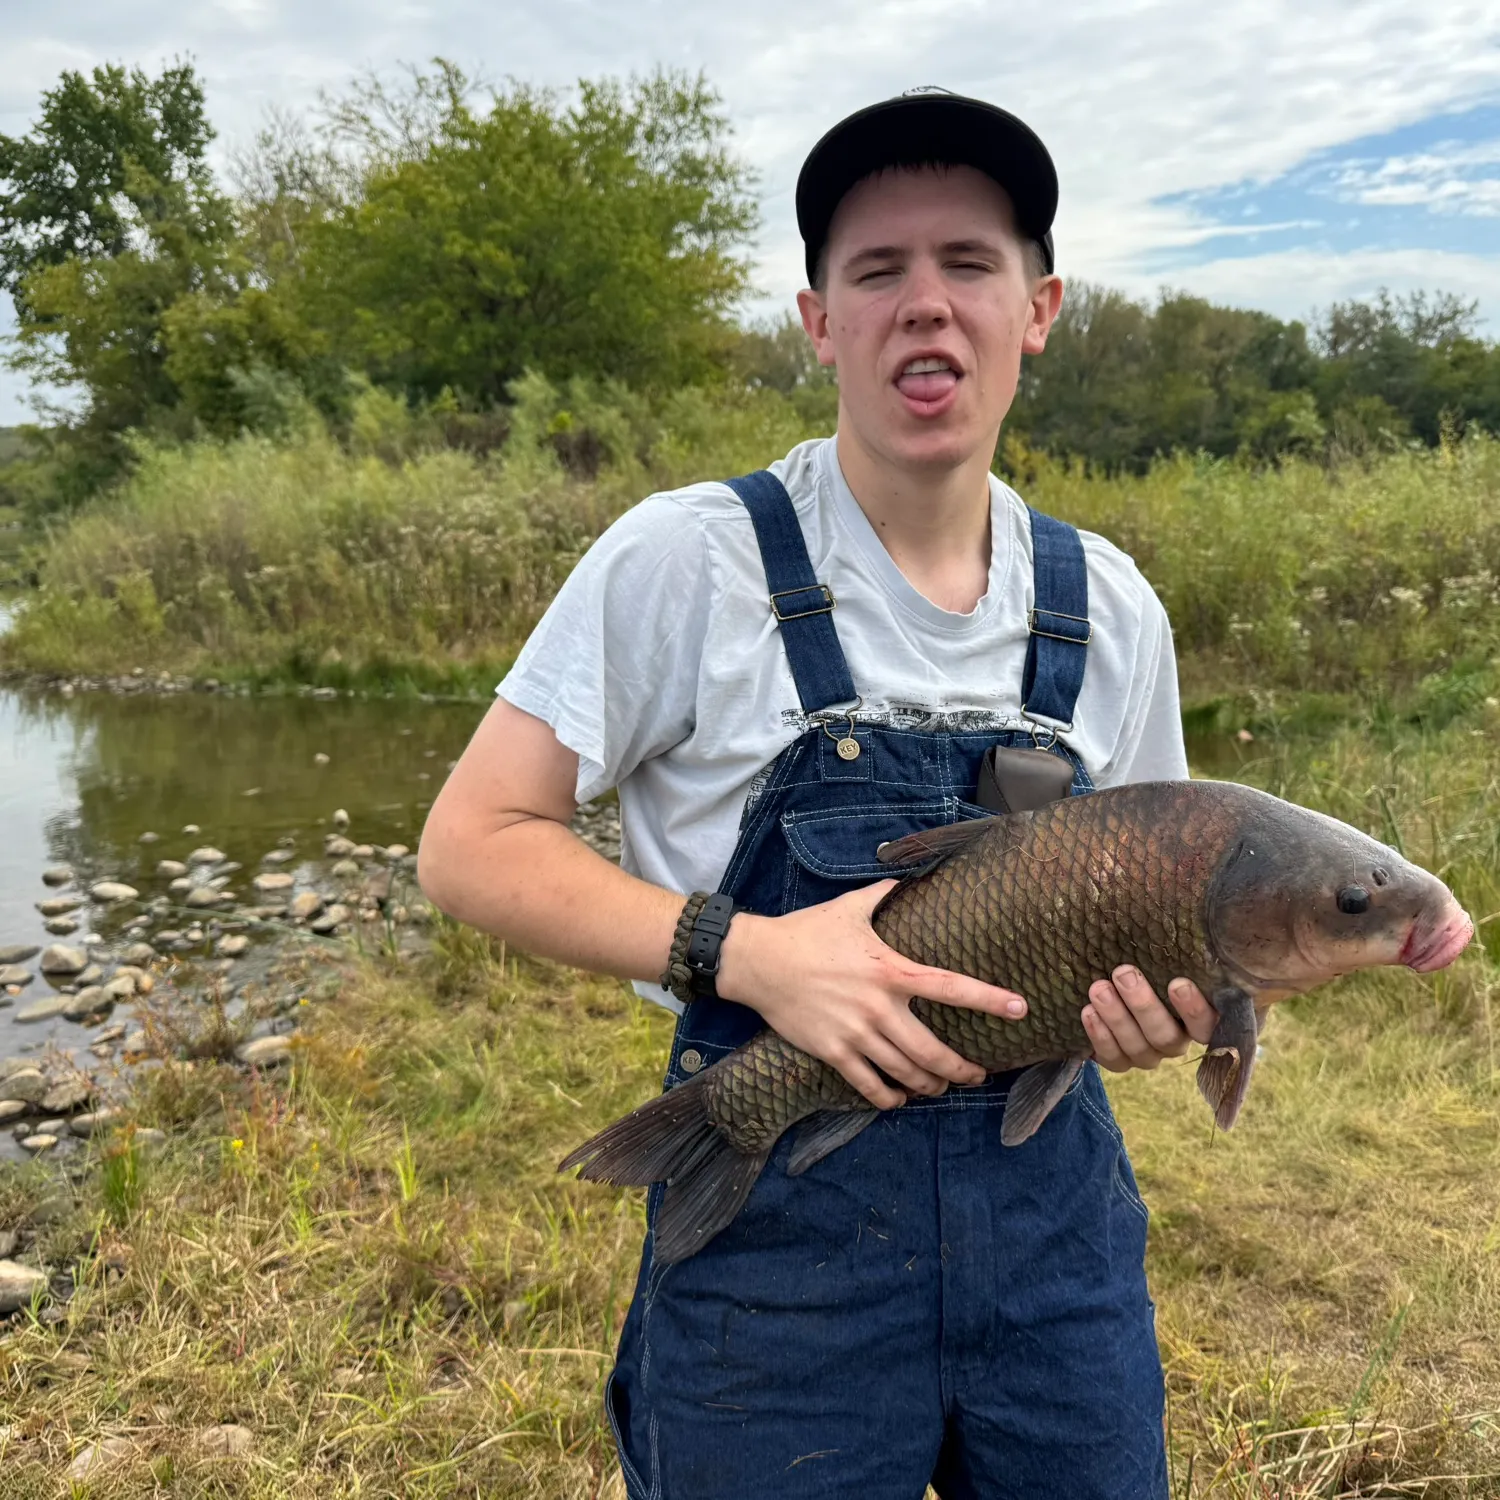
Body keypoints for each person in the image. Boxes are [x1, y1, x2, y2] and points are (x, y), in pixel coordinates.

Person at [419, 86, 1218, 1500]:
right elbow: (473, 844)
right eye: (878, 272)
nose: (927, 305)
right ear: (818, 321)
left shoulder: (1113, 608)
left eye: (968, 264)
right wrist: (748, 953)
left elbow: (1162, 895)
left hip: (1058, 1255)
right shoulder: (688, 559)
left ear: (1038, 307)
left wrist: (1154, 1020)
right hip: (774, 1260)